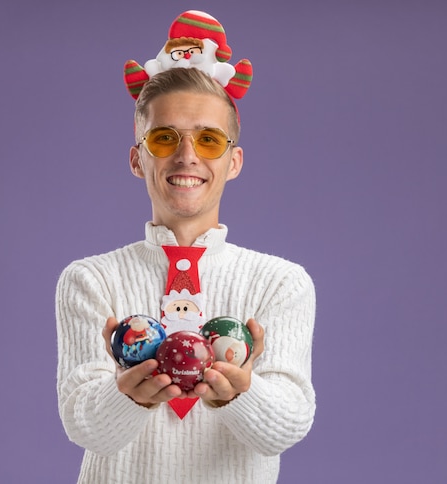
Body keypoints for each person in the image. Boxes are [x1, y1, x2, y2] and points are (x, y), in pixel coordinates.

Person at [56, 13, 315, 484]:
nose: (187, 155)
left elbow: (289, 424)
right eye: (164, 137)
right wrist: (128, 396)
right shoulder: (90, 279)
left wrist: (240, 394)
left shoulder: (281, 282)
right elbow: (83, 425)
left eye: (209, 139)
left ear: (233, 161)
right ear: (138, 158)